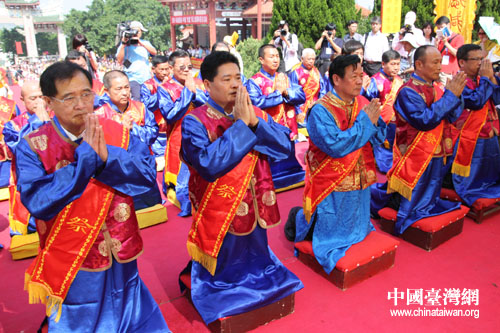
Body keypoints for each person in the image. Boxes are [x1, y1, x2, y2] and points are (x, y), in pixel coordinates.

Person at [17, 61, 169, 332]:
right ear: (49, 102)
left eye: (86, 94)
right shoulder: (33, 145)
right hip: (73, 256)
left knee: (129, 305)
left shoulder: (115, 132)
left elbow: (146, 176)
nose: (81, 104)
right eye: (69, 98)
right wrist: (86, 161)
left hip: (120, 246)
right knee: (81, 314)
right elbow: (37, 200)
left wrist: (109, 157)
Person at [180, 51, 303, 325]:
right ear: (207, 85)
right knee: (225, 262)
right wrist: (242, 126)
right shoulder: (195, 121)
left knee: (257, 252)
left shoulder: (254, 113)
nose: (236, 84)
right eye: (227, 79)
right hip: (219, 210)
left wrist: (256, 122)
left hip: (255, 202)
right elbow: (208, 164)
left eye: (238, 77)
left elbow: (283, 148)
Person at [285, 55, 386, 274]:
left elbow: (378, 138)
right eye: (354, 76)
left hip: (359, 174)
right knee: (330, 227)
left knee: (359, 220)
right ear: (336, 80)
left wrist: (376, 123)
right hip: (332, 179)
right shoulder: (321, 111)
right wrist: (366, 122)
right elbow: (335, 146)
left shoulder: (363, 102)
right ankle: (301, 222)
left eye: (361, 75)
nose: (360, 81)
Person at [383, 45, 466, 234]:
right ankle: (404, 211)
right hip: (415, 151)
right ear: (419, 64)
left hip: (436, 149)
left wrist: (456, 95)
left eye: (440, 62)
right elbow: (424, 120)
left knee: (433, 184)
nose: (440, 67)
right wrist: (451, 95)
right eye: (435, 62)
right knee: (415, 189)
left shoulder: (436, 87)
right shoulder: (408, 91)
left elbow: (452, 116)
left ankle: (425, 207)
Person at [95, 70, 164, 224]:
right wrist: (120, 130)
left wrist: (133, 128)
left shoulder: (140, 108)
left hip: (143, 167)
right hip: (118, 172)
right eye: (118, 89)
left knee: (152, 215)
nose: (125, 92)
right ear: (106, 91)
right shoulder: (100, 115)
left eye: (127, 87)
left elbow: (153, 134)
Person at [446, 44, 500, 206]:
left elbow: (497, 99)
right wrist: (485, 79)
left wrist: (491, 78)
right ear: (462, 62)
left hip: (490, 132)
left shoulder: (482, 78)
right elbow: (476, 101)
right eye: (476, 59)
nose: (480, 63)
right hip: (468, 136)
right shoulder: (458, 81)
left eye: (482, 59)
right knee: (472, 174)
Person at [3, 81, 50, 258]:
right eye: (33, 98)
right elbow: (18, 147)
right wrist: (38, 122)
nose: (38, 102)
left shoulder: (55, 116)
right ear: (22, 100)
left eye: (41, 97)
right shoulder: (13, 126)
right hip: (28, 180)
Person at [158, 50, 207, 216]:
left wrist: (194, 92)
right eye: (182, 67)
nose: (187, 70)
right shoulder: (165, 89)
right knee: (182, 174)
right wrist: (188, 92)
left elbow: (208, 105)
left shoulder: (198, 84)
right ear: (171, 68)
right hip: (178, 136)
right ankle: (185, 200)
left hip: (201, 134)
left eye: (190, 66)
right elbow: (171, 115)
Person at [247, 44, 305, 141]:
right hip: (269, 132)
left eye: (277, 56)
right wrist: (278, 93)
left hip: (289, 130)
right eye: (271, 57)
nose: (276, 60)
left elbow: (301, 96)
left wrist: (286, 92)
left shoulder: (284, 78)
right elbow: (256, 103)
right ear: (261, 60)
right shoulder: (254, 81)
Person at [363, 50, 403, 173]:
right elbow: (367, 100)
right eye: (392, 64)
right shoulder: (375, 81)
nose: (396, 67)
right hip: (381, 121)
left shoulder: (399, 80)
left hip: (396, 121)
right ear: (383, 64)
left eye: (398, 64)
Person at [140, 55, 171, 168]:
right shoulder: (147, 85)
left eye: (167, 69)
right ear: (153, 70)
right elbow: (147, 105)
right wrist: (161, 89)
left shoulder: (173, 83)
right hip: (157, 131)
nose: (165, 72)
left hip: (171, 129)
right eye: (161, 69)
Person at [116, 21, 157, 101]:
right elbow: (119, 60)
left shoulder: (145, 43)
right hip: (132, 77)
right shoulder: (125, 45)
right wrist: (124, 44)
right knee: (136, 99)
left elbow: (154, 52)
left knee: (148, 99)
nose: (136, 33)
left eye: (138, 31)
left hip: (145, 77)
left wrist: (140, 43)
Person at [288, 48, 327, 129]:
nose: (311, 61)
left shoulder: (317, 72)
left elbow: (322, 91)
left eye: (313, 59)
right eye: (309, 59)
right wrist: (298, 111)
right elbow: (292, 94)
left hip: (315, 108)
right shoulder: (296, 73)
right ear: (302, 59)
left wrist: (318, 104)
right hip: (300, 110)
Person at [435, 16, 464, 85]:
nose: (441, 30)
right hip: (440, 70)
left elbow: (457, 54)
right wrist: (436, 44)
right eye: (439, 28)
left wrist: (446, 43)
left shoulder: (458, 37)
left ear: (448, 25)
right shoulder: (440, 39)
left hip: (451, 72)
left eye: (442, 27)